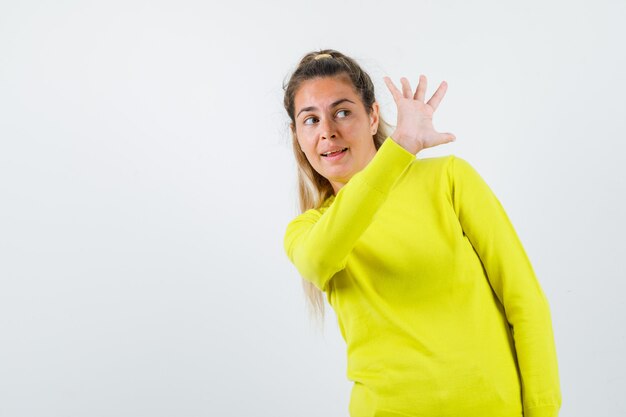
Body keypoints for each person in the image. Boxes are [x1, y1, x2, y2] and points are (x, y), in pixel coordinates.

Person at [282, 49, 562, 417]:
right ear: (297, 135)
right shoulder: (309, 230)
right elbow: (320, 258)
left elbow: (524, 301)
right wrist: (400, 150)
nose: (327, 132)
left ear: (372, 116)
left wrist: (542, 411)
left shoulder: (448, 179)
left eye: (343, 112)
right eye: (310, 120)